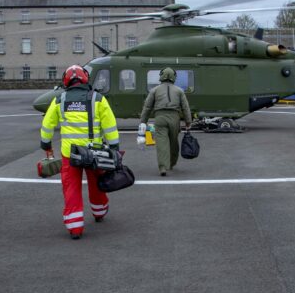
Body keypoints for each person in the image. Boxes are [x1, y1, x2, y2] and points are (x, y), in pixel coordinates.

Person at [40, 65, 120, 240]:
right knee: (97, 184)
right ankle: (99, 212)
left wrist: (45, 144)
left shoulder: (59, 100)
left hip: (70, 154)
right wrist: (114, 148)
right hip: (94, 153)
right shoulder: (98, 99)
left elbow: (47, 125)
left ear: (66, 81)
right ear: (85, 79)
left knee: (71, 189)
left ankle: (75, 228)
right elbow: (110, 125)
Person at [139, 67, 192, 176]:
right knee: (173, 142)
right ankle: (172, 163)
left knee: (161, 143)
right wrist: (188, 122)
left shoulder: (154, 90)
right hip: (174, 118)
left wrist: (143, 121)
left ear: (161, 76)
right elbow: (185, 108)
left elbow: (147, 107)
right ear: (174, 77)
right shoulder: (179, 91)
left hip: (160, 117)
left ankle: (163, 166)